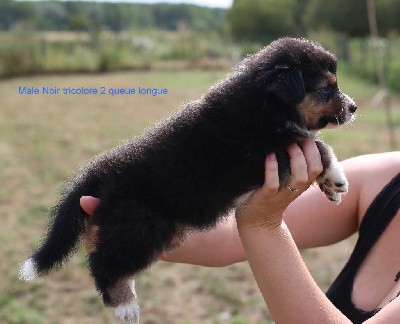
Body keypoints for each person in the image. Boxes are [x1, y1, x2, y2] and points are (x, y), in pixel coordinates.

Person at [81, 140, 400, 323]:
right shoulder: (387, 178)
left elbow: (252, 225)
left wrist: (262, 224)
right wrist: (149, 226)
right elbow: (227, 235)